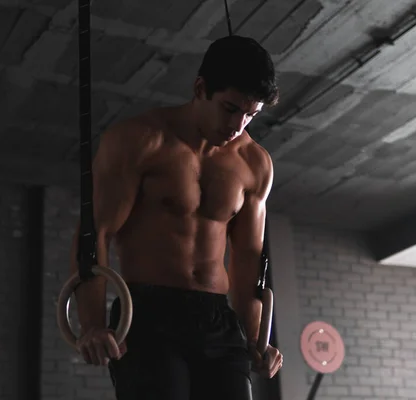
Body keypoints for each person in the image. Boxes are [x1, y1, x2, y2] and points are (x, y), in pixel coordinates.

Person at [68, 35, 283, 400]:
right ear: (200, 88)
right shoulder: (138, 141)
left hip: (217, 318)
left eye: (251, 114)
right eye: (230, 108)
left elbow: (248, 255)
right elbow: (96, 234)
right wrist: (92, 324)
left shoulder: (254, 163)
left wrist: (256, 336)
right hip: (148, 317)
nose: (238, 125)